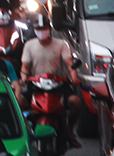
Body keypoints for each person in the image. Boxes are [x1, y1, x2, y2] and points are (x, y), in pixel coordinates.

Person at [19, 15, 81, 147]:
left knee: (75, 102)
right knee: (19, 102)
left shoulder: (61, 44)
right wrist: (24, 77)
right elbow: (25, 66)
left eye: (44, 28)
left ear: (49, 29)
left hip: (58, 84)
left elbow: (69, 63)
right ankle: (24, 130)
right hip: (36, 84)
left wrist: (73, 75)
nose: (41, 31)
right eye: (39, 28)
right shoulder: (29, 45)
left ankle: (69, 131)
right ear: (35, 30)